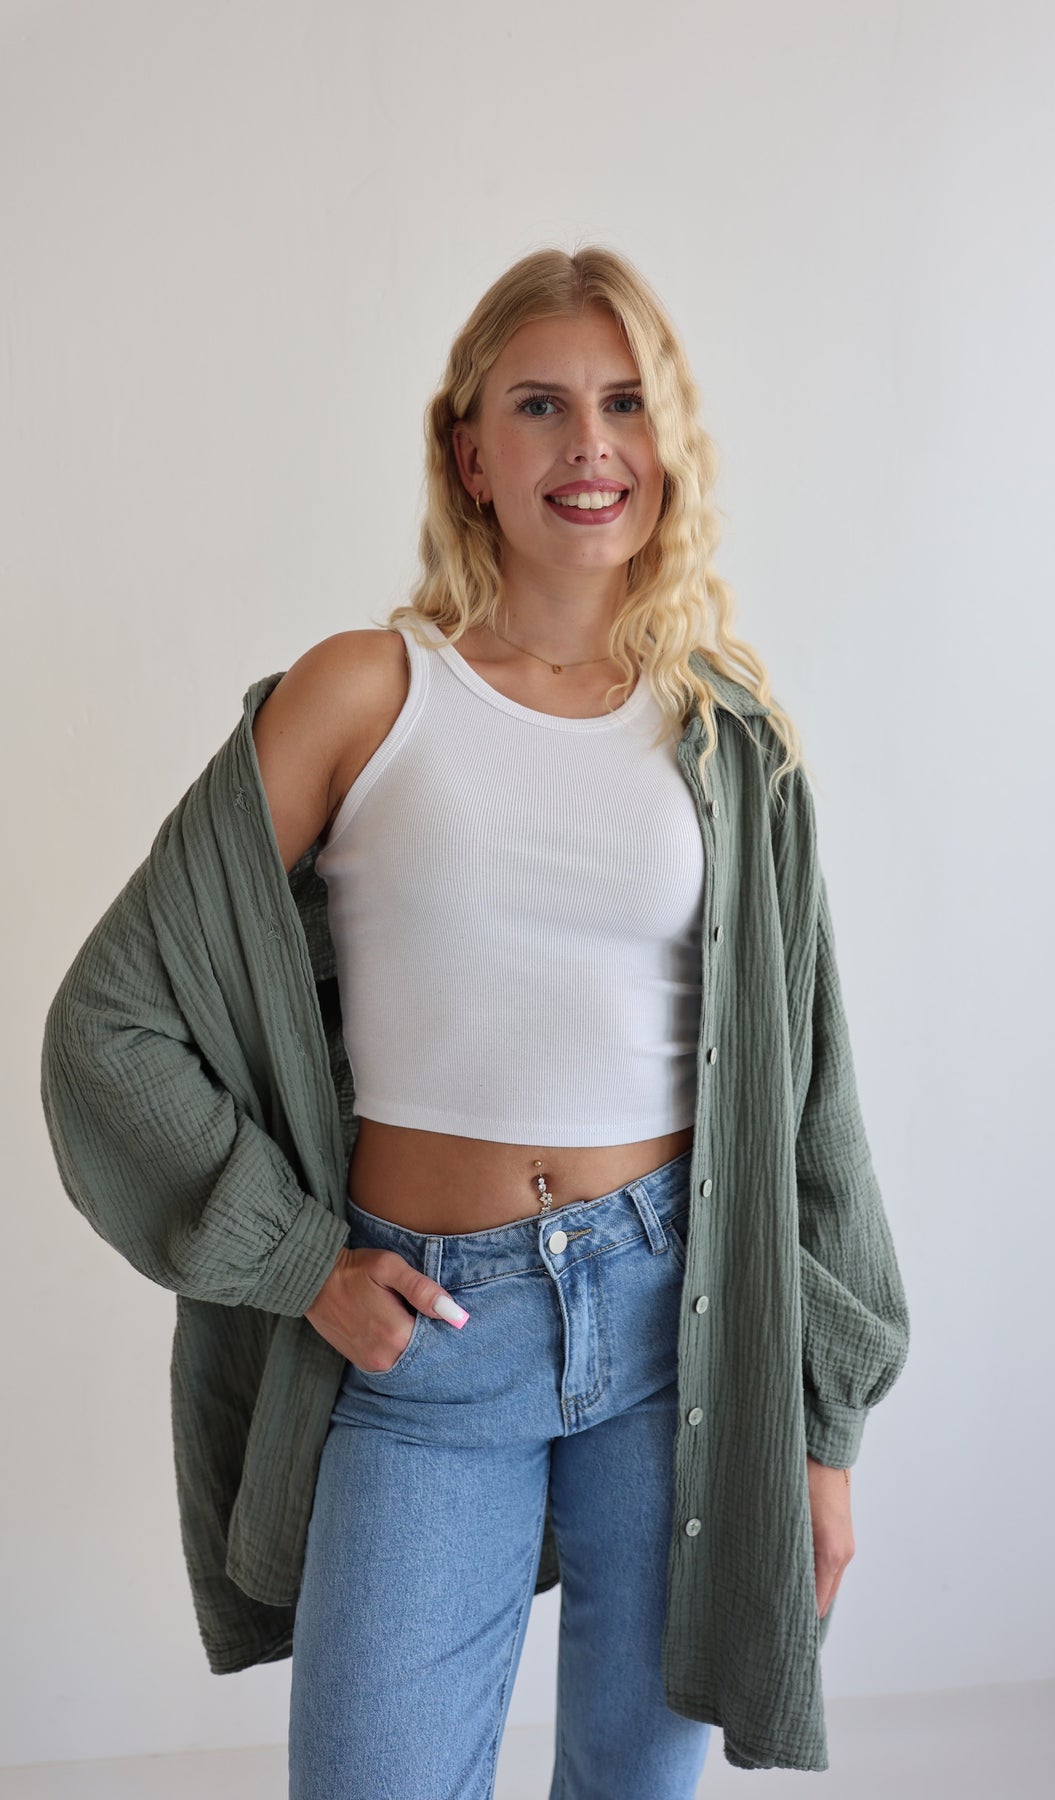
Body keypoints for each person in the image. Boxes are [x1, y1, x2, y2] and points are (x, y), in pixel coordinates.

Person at [41, 245, 910, 1797]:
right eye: (541, 405)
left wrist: (822, 1439)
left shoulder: (729, 735)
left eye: (626, 403)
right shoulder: (366, 694)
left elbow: (811, 1109)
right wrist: (302, 1263)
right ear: (470, 454)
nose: (591, 445)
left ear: (668, 443)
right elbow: (112, 1023)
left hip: (681, 1332)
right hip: (431, 1338)